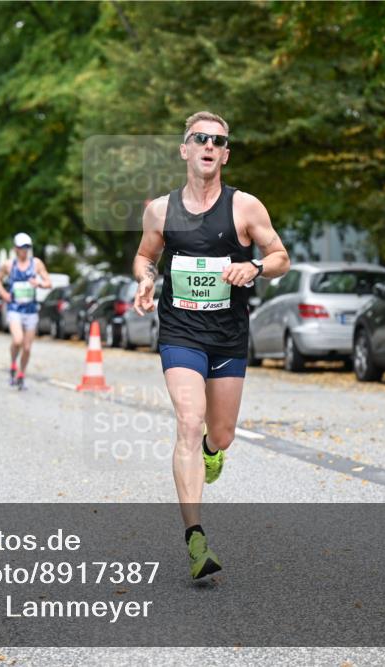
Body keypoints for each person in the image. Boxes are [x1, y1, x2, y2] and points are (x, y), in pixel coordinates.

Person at [132, 111, 290, 579]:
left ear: (225, 155)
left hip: (228, 335)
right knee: (188, 418)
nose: (208, 145)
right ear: (185, 149)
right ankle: (195, 537)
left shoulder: (245, 207)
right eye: (200, 138)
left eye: (217, 141)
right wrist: (145, 280)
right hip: (180, 331)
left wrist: (255, 268)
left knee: (220, 434)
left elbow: (280, 256)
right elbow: (145, 255)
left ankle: (211, 449)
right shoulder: (160, 210)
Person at [0, 233, 51, 390]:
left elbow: (48, 283)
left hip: (31, 310)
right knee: (17, 340)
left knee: (27, 347)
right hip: (15, 309)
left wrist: (39, 283)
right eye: (21, 248)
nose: (24, 251)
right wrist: (3, 293)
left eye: (27, 247)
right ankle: (13, 362)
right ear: (16, 249)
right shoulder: (9, 265)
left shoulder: (36, 264)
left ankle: (21, 374)